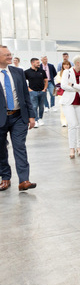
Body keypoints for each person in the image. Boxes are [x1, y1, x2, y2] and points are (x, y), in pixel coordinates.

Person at [0, 45, 36, 192]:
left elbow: (25, 95)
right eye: (6, 55)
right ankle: (5, 177)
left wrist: (32, 115)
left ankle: (24, 180)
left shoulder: (18, 72)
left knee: (20, 147)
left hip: (18, 117)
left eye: (10, 54)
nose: (10, 57)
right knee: (1, 149)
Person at [60, 56, 80, 158]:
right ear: (77, 63)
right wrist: (79, 89)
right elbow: (63, 86)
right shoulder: (66, 72)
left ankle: (79, 146)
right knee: (72, 125)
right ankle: (71, 148)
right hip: (68, 102)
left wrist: (73, 85)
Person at [24, 58, 48, 127]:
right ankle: (36, 120)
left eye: (39, 62)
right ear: (32, 63)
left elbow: (46, 80)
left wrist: (45, 89)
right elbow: (23, 82)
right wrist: (29, 89)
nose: (39, 64)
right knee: (34, 106)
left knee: (41, 106)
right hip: (32, 92)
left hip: (42, 91)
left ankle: (40, 118)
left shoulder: (42, 71)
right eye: (37, 63)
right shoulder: (27, 72)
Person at [55, 61, 72, 127]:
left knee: (70, 107)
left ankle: (69, 121)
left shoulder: (72, 72)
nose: (66, 66)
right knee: (62, 107)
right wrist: (65, 82)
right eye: (65, 65)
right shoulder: (59, 73)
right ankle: (63, 121)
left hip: (70, 91)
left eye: (68, 64)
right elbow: (58, 80)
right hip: (61, 92)